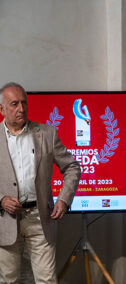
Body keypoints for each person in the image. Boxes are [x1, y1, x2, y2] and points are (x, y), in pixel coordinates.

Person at [0, 82, 81, 283]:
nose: (21, 109)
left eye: (24, 103)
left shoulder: (46, 134)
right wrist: (1, 199)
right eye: (14, 104)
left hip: (40, 218)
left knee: (47, 281)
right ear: (2, 109)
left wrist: (64, 199)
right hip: (6, 220)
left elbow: (72, 167)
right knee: (9, 280)